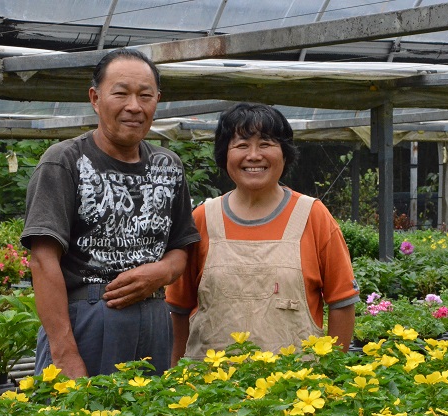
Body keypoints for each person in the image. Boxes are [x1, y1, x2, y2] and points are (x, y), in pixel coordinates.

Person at [20, 48, 200, 378]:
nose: (134, 106)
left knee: (150, 411)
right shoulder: (64, 161)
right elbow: (43, 261)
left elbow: (180, 248)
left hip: (153, 318)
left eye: (145, 95)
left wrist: (160, 273)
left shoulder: (168, 165)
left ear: (157, 100)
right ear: (95, 98)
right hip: (88, 316)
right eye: (121, 93)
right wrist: (64, 354)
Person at [166, 102, 359, 365]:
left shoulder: (312, 216)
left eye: (266, 144)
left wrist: (333, 371)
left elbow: (342, 303)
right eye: (242, 145)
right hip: (209, 392)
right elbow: (179, 308)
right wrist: (177, 372)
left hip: (297, 393)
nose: (254, 155)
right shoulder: (203, 219)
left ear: (285, 153)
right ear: (225, 155)